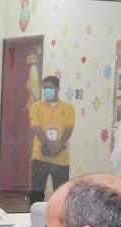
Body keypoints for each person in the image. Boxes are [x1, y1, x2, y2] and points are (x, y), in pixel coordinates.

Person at [29, 76, 75, 205]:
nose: (46, 90)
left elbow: (69, 129)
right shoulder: (35, 107)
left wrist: (59, 145)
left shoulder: (68, 108)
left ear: (58, 88)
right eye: (44, 88)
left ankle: (57, 219)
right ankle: (34, 218)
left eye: (49, 87)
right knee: (36, 194)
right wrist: (50, 144)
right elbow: (36, 127)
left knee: (61, 196)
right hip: (40, 157)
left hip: (61, 158)